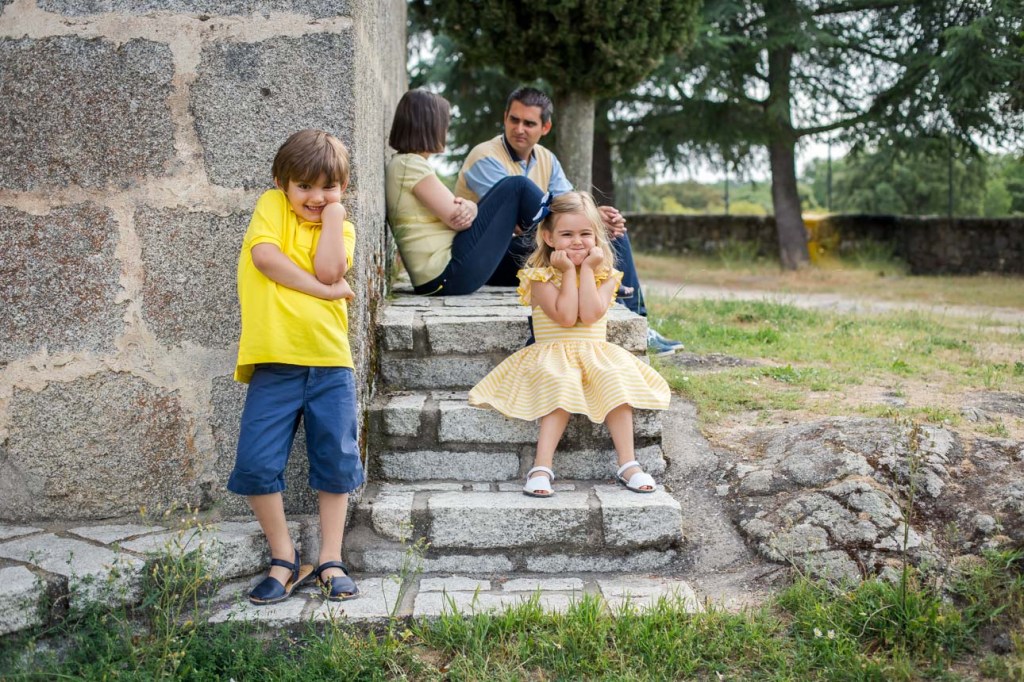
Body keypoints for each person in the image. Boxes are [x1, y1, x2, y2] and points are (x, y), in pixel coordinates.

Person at [229, 129, 362, 605]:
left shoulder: (341, 226)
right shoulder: (272, 207)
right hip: (275, 363)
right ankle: (284, 557)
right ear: (281, 183)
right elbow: (265, 258)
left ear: (343, 188)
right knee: (256, 463)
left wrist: (335, 217)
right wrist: (326, 293)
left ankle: (330, 558)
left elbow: (330, 269)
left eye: (329, 187)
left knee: (336, 461)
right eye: (304, 186)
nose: (315, 197)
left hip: (330, 363)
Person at [455, 86, 686, 355]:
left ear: (545, 127)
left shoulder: (547, 159)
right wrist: (585, 219)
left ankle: (639, 320)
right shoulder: (484, 156)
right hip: (492, 258)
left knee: (610, 233)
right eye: (514, 120)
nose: (519, 129)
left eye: (529, 123)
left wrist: (595, 221)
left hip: (534, 248)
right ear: (505, 117)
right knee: (545, 204)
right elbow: (519, 218)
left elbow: (569, 207)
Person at [468, 192, 671, 497]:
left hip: (595, 353)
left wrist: (586, 271)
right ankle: (541, 466)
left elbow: (589, 315)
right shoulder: (539, 277)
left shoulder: (606, 276)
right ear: (548, 237)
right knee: (561, 381)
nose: (577, 242)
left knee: (615, 381)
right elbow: (565, 317)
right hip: (552, 354)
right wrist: (566, 272)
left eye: (585, 234)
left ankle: (628, 463)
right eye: (567, 234)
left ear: (597, 237)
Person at [385, 89, 547, 295]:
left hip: (446, 274)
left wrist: (469, 207)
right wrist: (471, 206)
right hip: (445, 275)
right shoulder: (410, 165)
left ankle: (567, 263)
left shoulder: (405, 164)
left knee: (527, 249)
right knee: (517, 186)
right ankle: (574, 243)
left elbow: (457, 213)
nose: (446, 131)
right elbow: (458, 218)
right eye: (444, 125)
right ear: (429, 126)